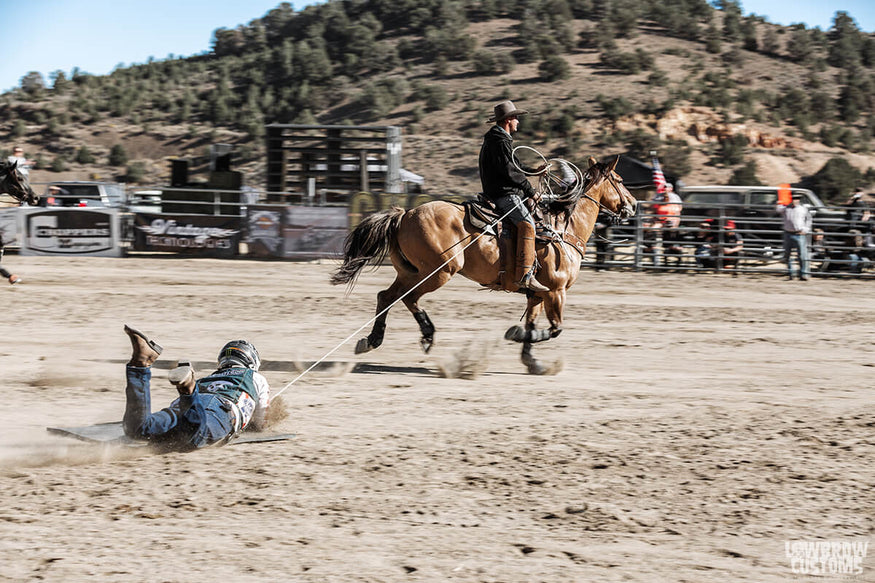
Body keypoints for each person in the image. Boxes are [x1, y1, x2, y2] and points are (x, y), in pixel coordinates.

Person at [122, 324, 271, 451]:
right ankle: (187, 389)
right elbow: (260, 422)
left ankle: (140, 363)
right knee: (195, 433)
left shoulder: (209, 377)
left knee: (138, 429)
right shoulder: (255, 377)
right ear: (252, 361)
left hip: (184, 406)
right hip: (219, 409)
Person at [478, 100, 549, 292]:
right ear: (508, 120)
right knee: (528, 225)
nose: (518, 121)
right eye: (516, 118)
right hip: (504, 193)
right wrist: (531, 191)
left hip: (500, 191)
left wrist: (534, 172)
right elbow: (510, 173)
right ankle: (525, 275)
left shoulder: (499, 139)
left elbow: (515, 167)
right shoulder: (500, 141)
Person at [776, 192, 813, 280]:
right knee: (787, 255)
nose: (795, 200)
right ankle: (791, 273)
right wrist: (780, 202)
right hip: (788, 233)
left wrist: (806, 229)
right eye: (793, 198)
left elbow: (809, 219)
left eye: (796, 198)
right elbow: (778, 209)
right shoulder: (785, 208)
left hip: (799, 233)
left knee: (802, 255)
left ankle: (803, 273)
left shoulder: (803, 209)